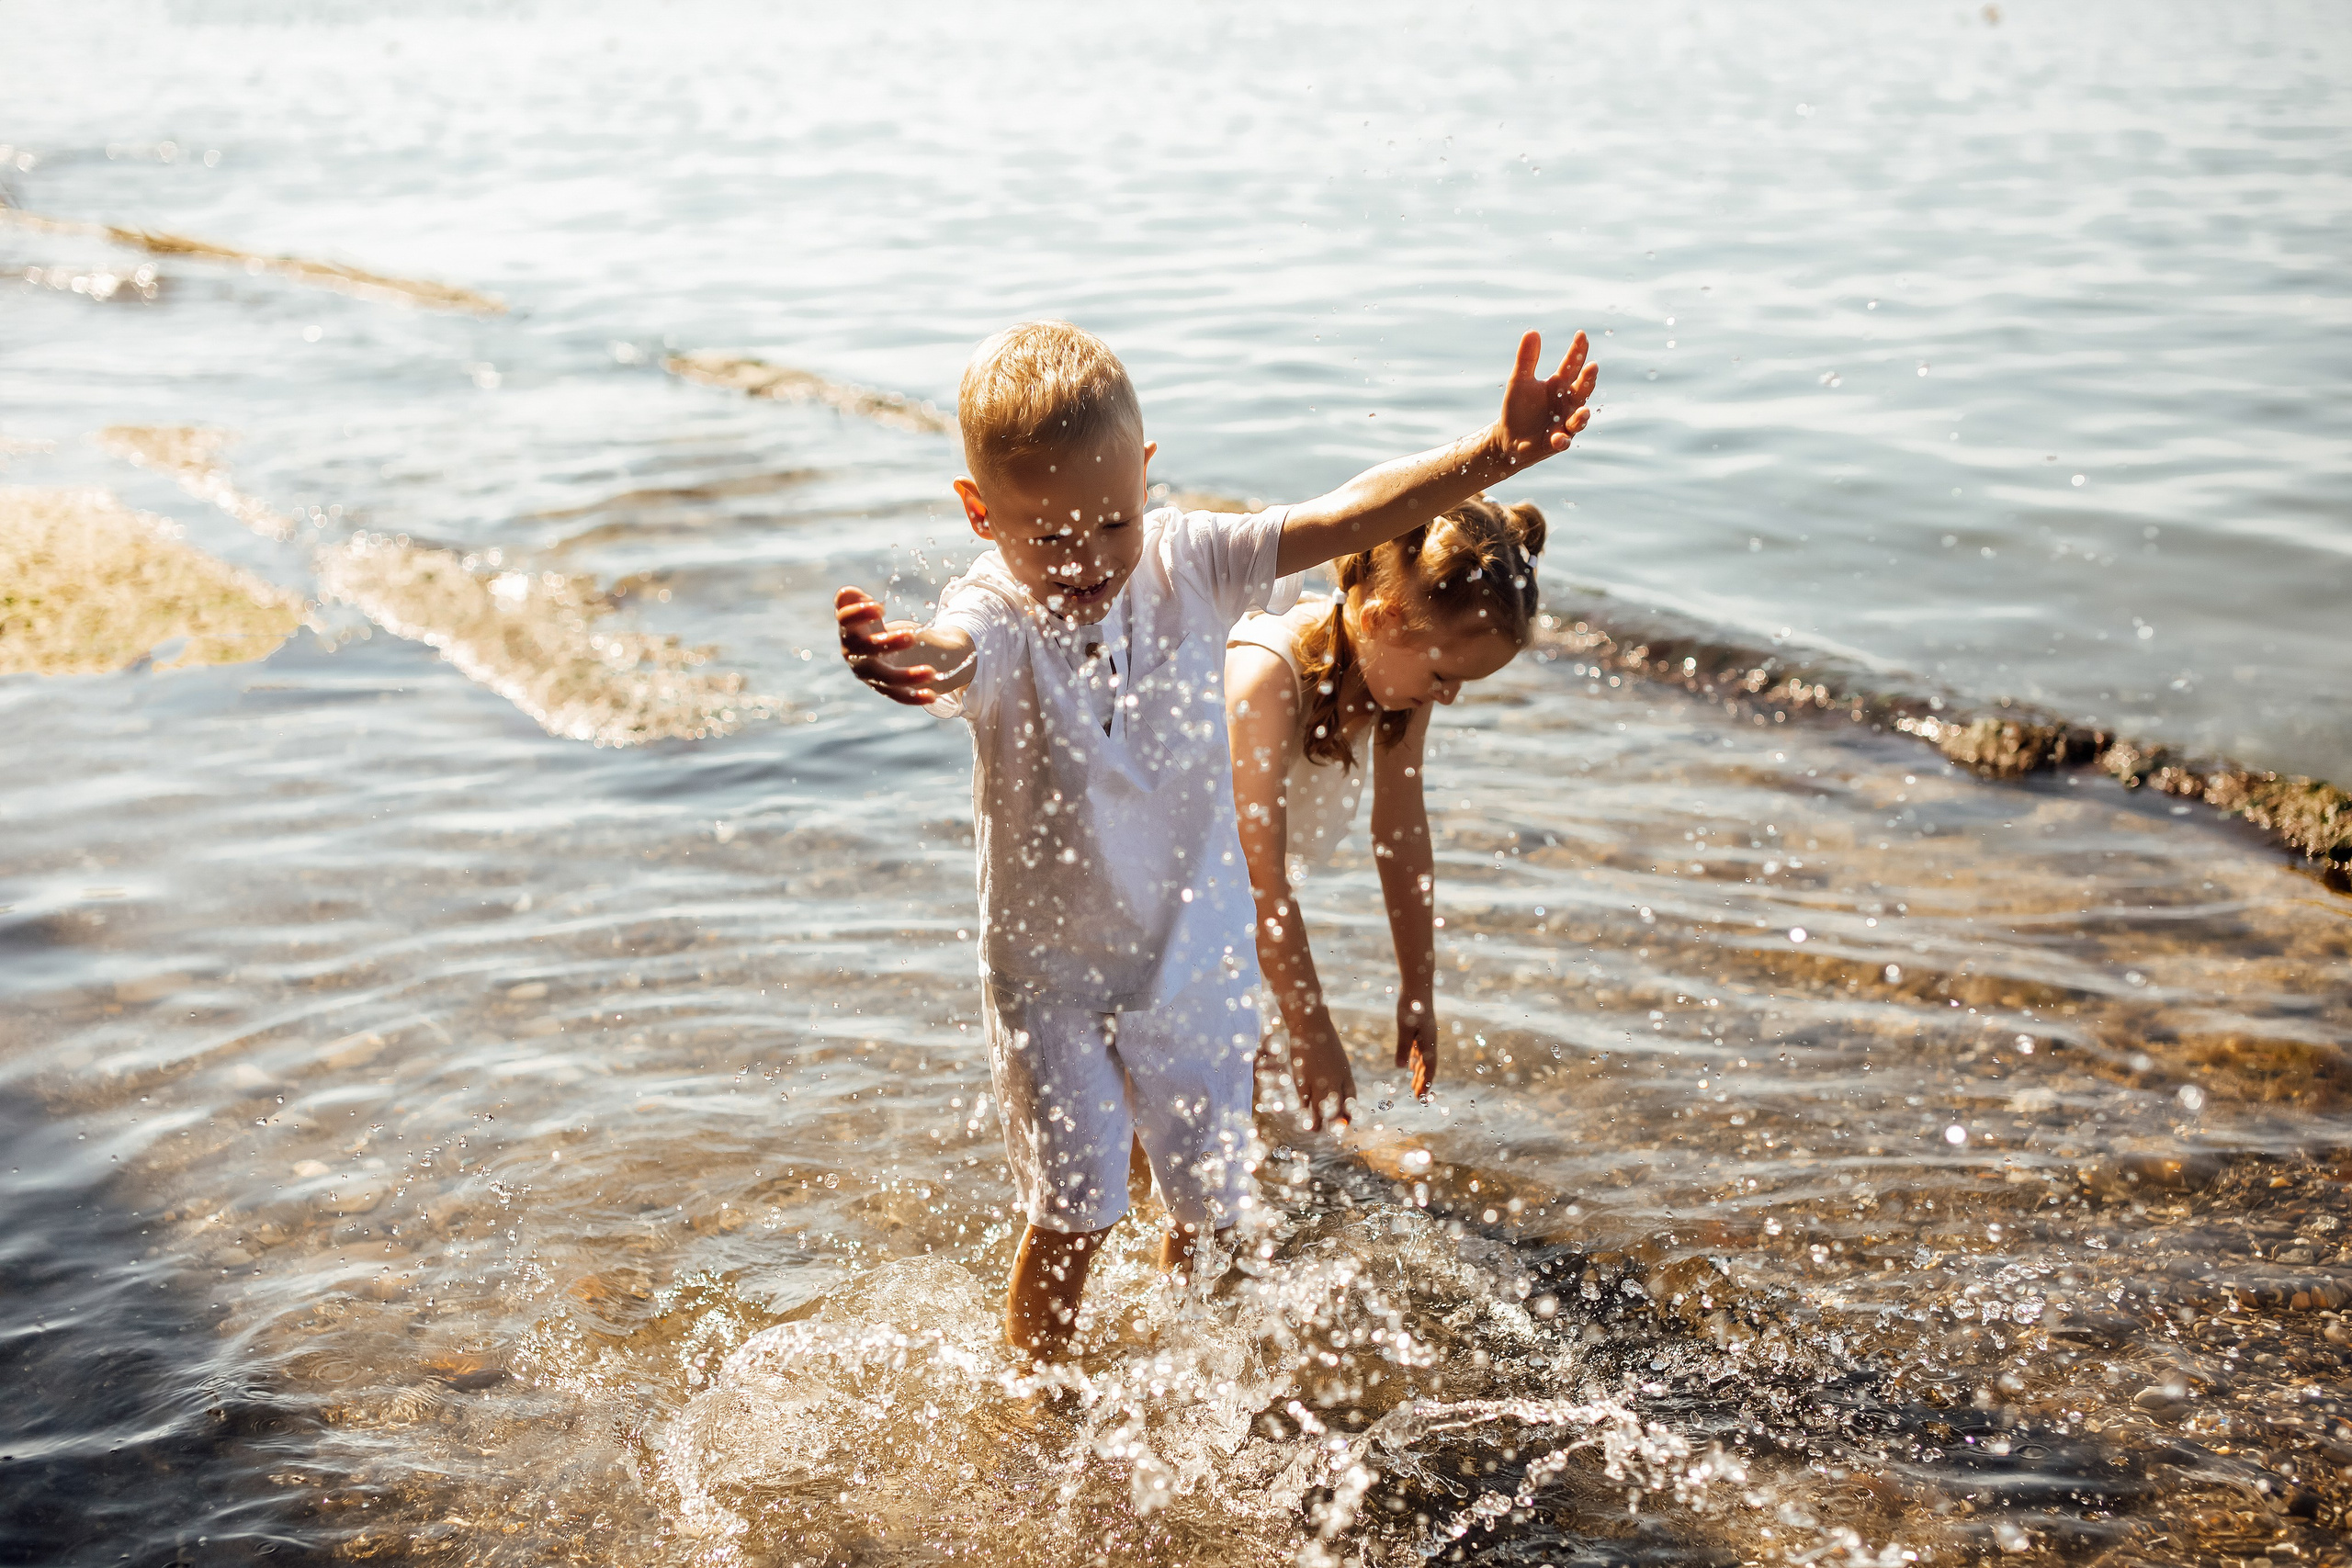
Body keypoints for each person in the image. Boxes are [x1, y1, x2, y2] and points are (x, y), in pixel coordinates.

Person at [834, 320, 1597, 1362]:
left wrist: (1494, 454)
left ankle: (1190, 1370)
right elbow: (955, 648)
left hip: (1194, 965)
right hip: (1051, 982)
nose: (1086, 560)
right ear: (980, 514)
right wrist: (907, 651)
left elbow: (1347, 513)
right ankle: (1036, 1400)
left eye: (1112, 523)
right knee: (1078, 1214)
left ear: (1147, 476)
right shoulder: (998, 612)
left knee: (1209, 1203)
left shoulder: (1191, 561)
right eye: (1047, 537)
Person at [1227, 496, 1547, 1131]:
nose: (1447, 697)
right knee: (1203, 1113)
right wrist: (1311, 1024)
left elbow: (1400, 835)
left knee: (1250, 1117)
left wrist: (1417, 989)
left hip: (1222, 907)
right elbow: (1255, 878)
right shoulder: (1265, 677)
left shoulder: (1401, 676)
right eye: (1443, 676)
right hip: (1143, 892)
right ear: (1381, 618)